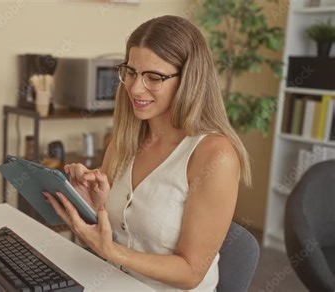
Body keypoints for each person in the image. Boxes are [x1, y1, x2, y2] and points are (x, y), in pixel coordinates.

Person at [43, 15, 252, 291]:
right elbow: (113, 235)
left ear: (189, 80)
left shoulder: (214, 155)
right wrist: (93, 207)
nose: (135, 87)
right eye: (131, 72)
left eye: (154, 77)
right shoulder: (124, 140)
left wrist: (111, 251)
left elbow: (191, 272)